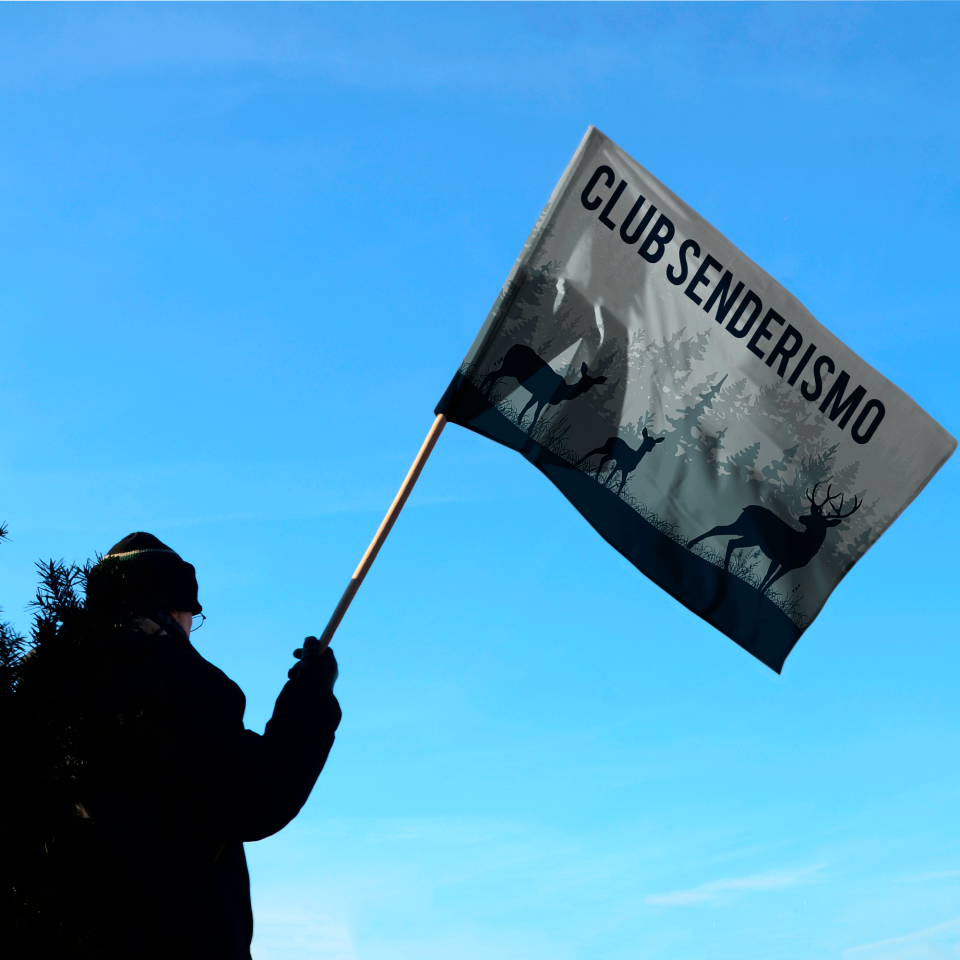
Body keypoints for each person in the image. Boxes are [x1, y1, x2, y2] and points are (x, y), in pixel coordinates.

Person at [48, 531, 341, 960]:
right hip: (171, 935)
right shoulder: (179, 680)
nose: (191, 629)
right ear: (174, 609)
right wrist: (311, 694)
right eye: (193, 615)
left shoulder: (40, 687)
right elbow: (256, 796)